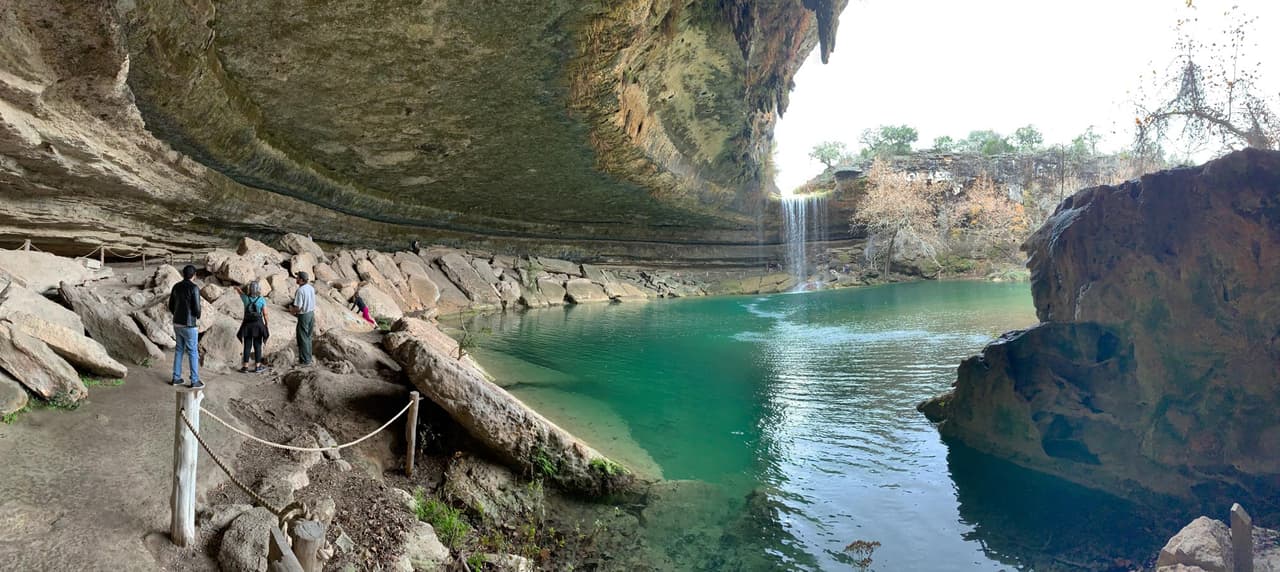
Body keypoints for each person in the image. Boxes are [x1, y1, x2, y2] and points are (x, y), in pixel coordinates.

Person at [168, 264, 202, 388]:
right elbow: (197, 307)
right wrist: (197, 316)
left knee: (179, 350)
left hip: (177, 323)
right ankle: (194, 381)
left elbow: (171, 305)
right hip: (189, 324)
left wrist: (177, 315)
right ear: (194, 275)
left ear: (183, 274)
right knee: (193, 351)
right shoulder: (194, 288)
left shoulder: (176, 287)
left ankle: (176, 378)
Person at [234, 281, 270, 373]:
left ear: (250, 289)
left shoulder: (245, 298)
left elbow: (241, 293)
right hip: (258, 325)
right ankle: (257, 366)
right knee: (258, 345)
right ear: (258, 290)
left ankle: (245, 367)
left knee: (247, 345)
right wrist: (266, 324)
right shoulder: (261, 300)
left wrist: (237, 288)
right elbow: (265, 314)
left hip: (247, 324)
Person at [290, 271, 316, 365]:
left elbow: (298, 307)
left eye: (297, 278)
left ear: (301, 280)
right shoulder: (311, 288)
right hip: (311, 314)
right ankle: (308, 358)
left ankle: (305, 361)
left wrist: (292, 311)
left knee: (303, 338)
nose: (296, 279)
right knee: (308, 337)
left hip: (304, 315)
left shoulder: (300, 291)